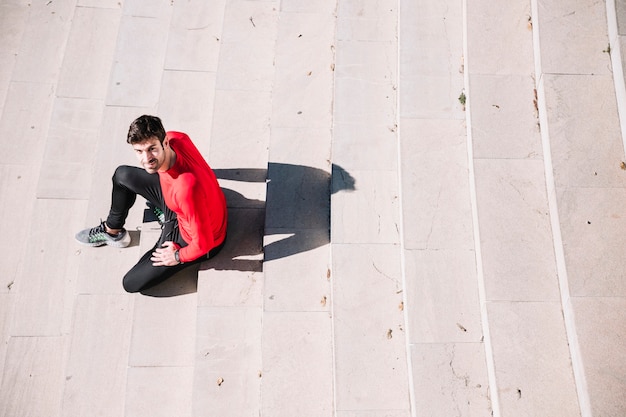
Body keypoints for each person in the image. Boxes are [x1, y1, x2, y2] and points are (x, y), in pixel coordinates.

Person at [75, 115, 228, 293]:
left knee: (131, 282)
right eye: (139, 151)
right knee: (122, 175)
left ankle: (167, 226)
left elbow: (204, 244)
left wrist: (178, 256)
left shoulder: (186, 188)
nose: (146, 158)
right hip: (181, 206)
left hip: (193, 238)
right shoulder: (178, 138)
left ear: (165, 142)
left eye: (152, 149)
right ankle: (112, 230)